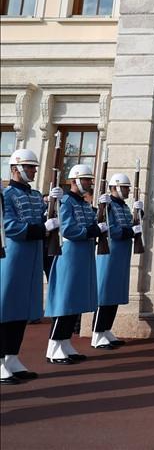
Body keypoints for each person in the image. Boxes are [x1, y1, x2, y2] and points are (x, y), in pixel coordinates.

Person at [1, 150, 62, 384]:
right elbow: (9, 226)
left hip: (33, 256)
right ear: (16, 168)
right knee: (5, 309)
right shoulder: (6, 195)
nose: (34, 171)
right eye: (30, 167)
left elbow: (44, 219)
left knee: (21, 310)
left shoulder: (36, 195)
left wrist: (55, 205)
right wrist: (42, 229)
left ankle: (12, 356)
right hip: (13, 256)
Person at [45, 164, 104, 364]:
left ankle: (65, 342)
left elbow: (89, 223)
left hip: (83, 254)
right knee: (65, 299)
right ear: (74, 180)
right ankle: (53, 346)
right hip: (70, 253)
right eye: (86, 179)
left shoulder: (84, 203)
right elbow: (68, 229)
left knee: (75, 301)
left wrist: (95, 228)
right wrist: (90, 231)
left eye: (89, 180)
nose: (89, 183)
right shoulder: (67, 201)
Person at [92, 173, 143, 349]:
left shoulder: (123, 206)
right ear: (115, 188)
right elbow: (112, 230)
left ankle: (106, 330)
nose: (128, 190)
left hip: (121, 253)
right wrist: (131, 232)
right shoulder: (108, 205)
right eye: (125, 187)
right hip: (110, 253)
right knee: (105, 294)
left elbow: (131, 223)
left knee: (114, 293)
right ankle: (97, 333)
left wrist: (139, 213)